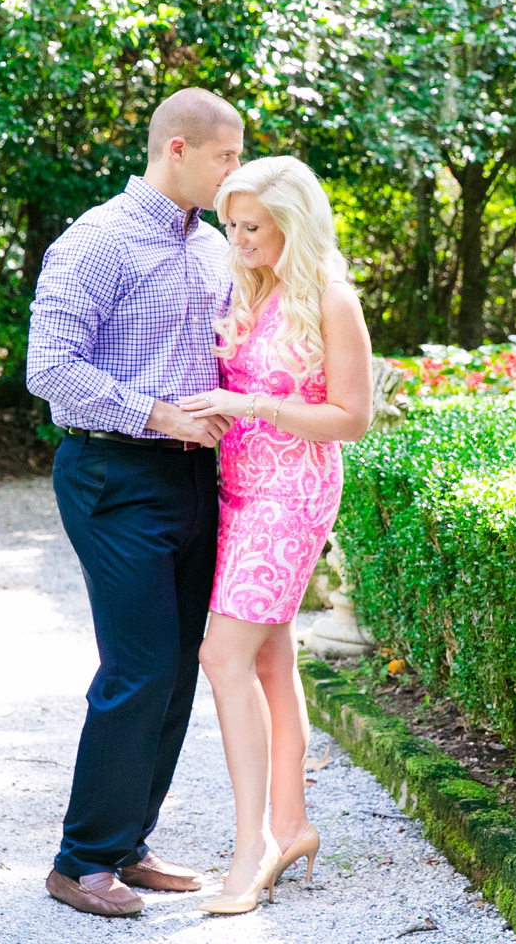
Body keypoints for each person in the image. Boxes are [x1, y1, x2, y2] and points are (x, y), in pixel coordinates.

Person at [25, 87, 244, 917]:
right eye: (226, 157)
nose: (235, 172)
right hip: (113, 473)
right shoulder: (97, 242)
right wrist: (161, 415)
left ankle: (126, 841)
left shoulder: (216, 248)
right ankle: (79, 862)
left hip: (195, 480)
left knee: (180, 665)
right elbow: (49, 368)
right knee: (139, 665)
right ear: (178, 150)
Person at [176, 156, 372, 915]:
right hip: (237, 489)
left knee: (221, 654)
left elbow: (351, 417)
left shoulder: (332, 297)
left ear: (294, 220)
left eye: (252, 226)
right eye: (231, 225)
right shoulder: (252, 289)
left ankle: (252, 843)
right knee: (266, 659)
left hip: (292, 496)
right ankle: (291, 824)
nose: (239, 239)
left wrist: (253, 406)